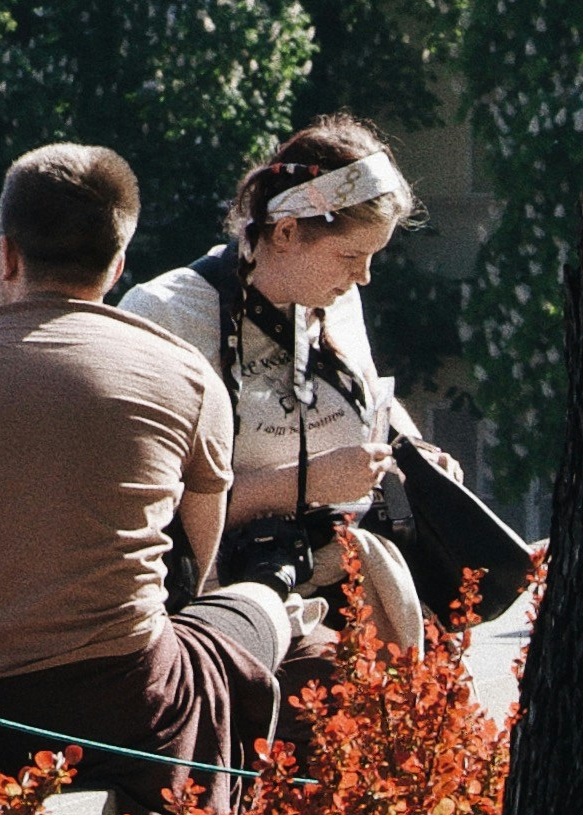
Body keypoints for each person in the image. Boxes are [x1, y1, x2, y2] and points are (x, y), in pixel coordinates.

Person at [0, 141, 308, 815]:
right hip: (114, 724)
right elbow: (191, 571)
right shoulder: (184, 377)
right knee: (248, 609)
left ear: (5, 254)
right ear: (117, 265)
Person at [120, 120, 442, 653]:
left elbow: (367, 396)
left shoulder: (338, 299)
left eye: (372, 257)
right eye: (349, 256)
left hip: (357, 593)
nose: (363, 277)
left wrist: (414, 453)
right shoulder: (168, 315)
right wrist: (307, 483)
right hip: (226, 617)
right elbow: (149, 511)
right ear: (287, 231)